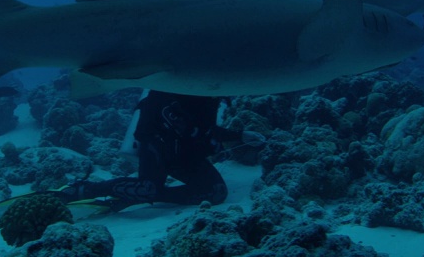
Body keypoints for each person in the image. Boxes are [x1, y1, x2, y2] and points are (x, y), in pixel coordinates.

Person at [54, 90, 267, 211]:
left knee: (216, 193)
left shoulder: (210, 92)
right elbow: (191, 129)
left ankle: (141, 195)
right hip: (156, 143)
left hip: (183, 152)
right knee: (146, 188)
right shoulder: (182, 87)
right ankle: (85, 190)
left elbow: (203, 128)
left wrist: (239, 136)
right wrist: (226, 138)